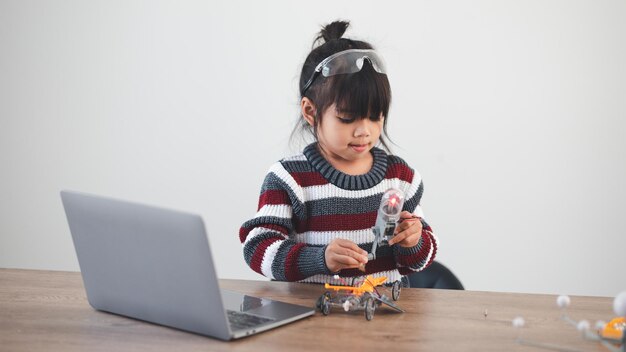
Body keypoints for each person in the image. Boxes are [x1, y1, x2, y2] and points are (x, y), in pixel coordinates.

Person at [239, 20, 438, 285]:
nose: (364, 131)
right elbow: (257, 249)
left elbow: (418, 261)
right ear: (310, 111)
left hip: (383, 322)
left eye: (375, 117)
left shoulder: (401, 178)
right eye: (347, 118)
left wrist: (414, 240)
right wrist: (320, 258)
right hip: (311, 322)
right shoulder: (289, 179)